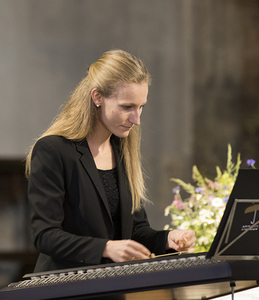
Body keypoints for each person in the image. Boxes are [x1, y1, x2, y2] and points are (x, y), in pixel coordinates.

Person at [25, 49, 196, 273]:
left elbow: (135, 231)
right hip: (64, 286)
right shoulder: (53, 150)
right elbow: (45, 235)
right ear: (97, 97)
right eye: (127, 107)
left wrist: (168, 239)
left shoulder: (122, 149)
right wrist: (105, 248)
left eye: (141, 107)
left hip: (112, 285)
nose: (136, 119)